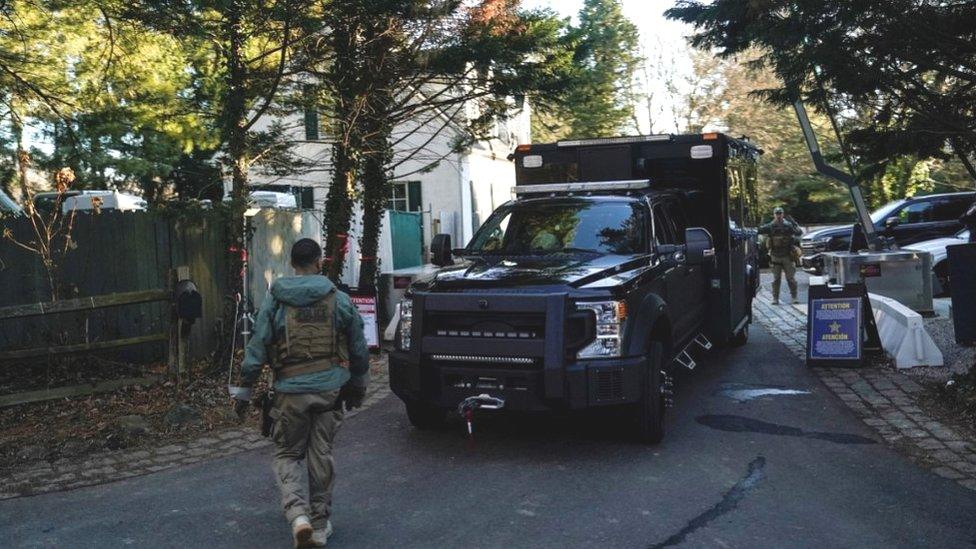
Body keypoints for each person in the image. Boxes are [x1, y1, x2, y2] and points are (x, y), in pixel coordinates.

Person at [230, 238, 369, 548]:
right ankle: (319, 526)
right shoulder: (338, 299)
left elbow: (257, 347)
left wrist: (243, 392)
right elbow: (359, 347)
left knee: (288, 454)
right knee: (321, 455)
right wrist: (358, 386)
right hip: (329, 391)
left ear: (292, 264)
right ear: (319, 262)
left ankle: (299, 516)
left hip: (290, 393)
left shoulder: (276, 300)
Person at [759, 206, 803, 304]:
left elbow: (799, 233)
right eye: (777, 213)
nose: (778, 215)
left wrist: (795, 224)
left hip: (788, 255)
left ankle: (794, 297)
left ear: (783, 214)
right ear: (774, 215)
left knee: (791, 279)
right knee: (776, 279)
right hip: (775, 255)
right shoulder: (770, 226)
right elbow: (760, 230)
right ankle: (775, 298)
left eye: (780, 213)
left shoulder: (788, 225)